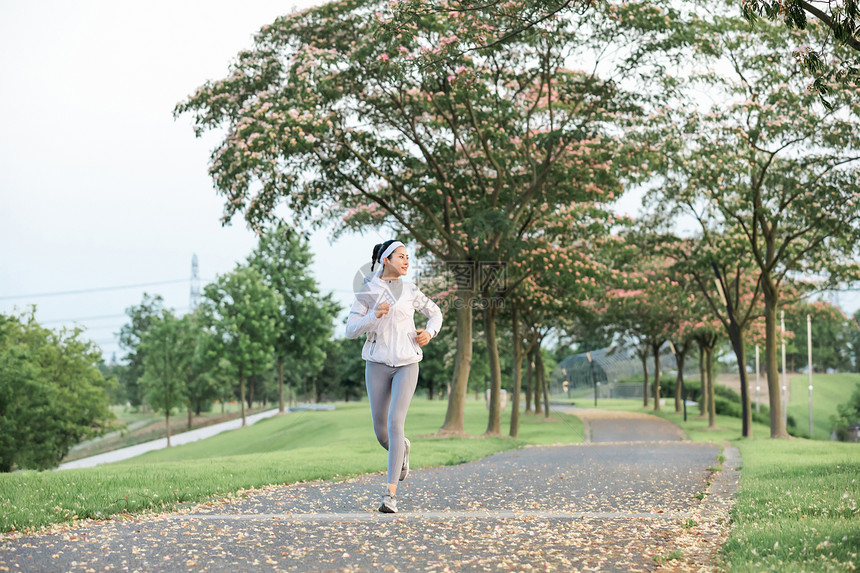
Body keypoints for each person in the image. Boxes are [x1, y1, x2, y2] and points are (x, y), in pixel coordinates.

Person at [346, 239, 443, 513]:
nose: (406, 261)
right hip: (376, 364)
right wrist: (373, 316)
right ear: (386, 259)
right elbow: (350, 330)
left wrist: (429, 333)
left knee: (395, 421)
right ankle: (402, 450)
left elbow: (435, 314)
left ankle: (390, 496)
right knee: (382, 433)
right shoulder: (367, 292)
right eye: (401, 256)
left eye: (408, 257)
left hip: (407, 363)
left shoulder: (411, 290)